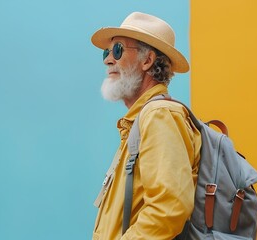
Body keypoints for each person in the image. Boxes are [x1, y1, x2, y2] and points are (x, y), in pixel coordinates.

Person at [91, 12, 202, 240]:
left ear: (148, 60)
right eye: (107, 52)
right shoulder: (142, 119)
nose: (108, 59)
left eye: (118, 50)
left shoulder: (158, 115)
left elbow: (169, 208)